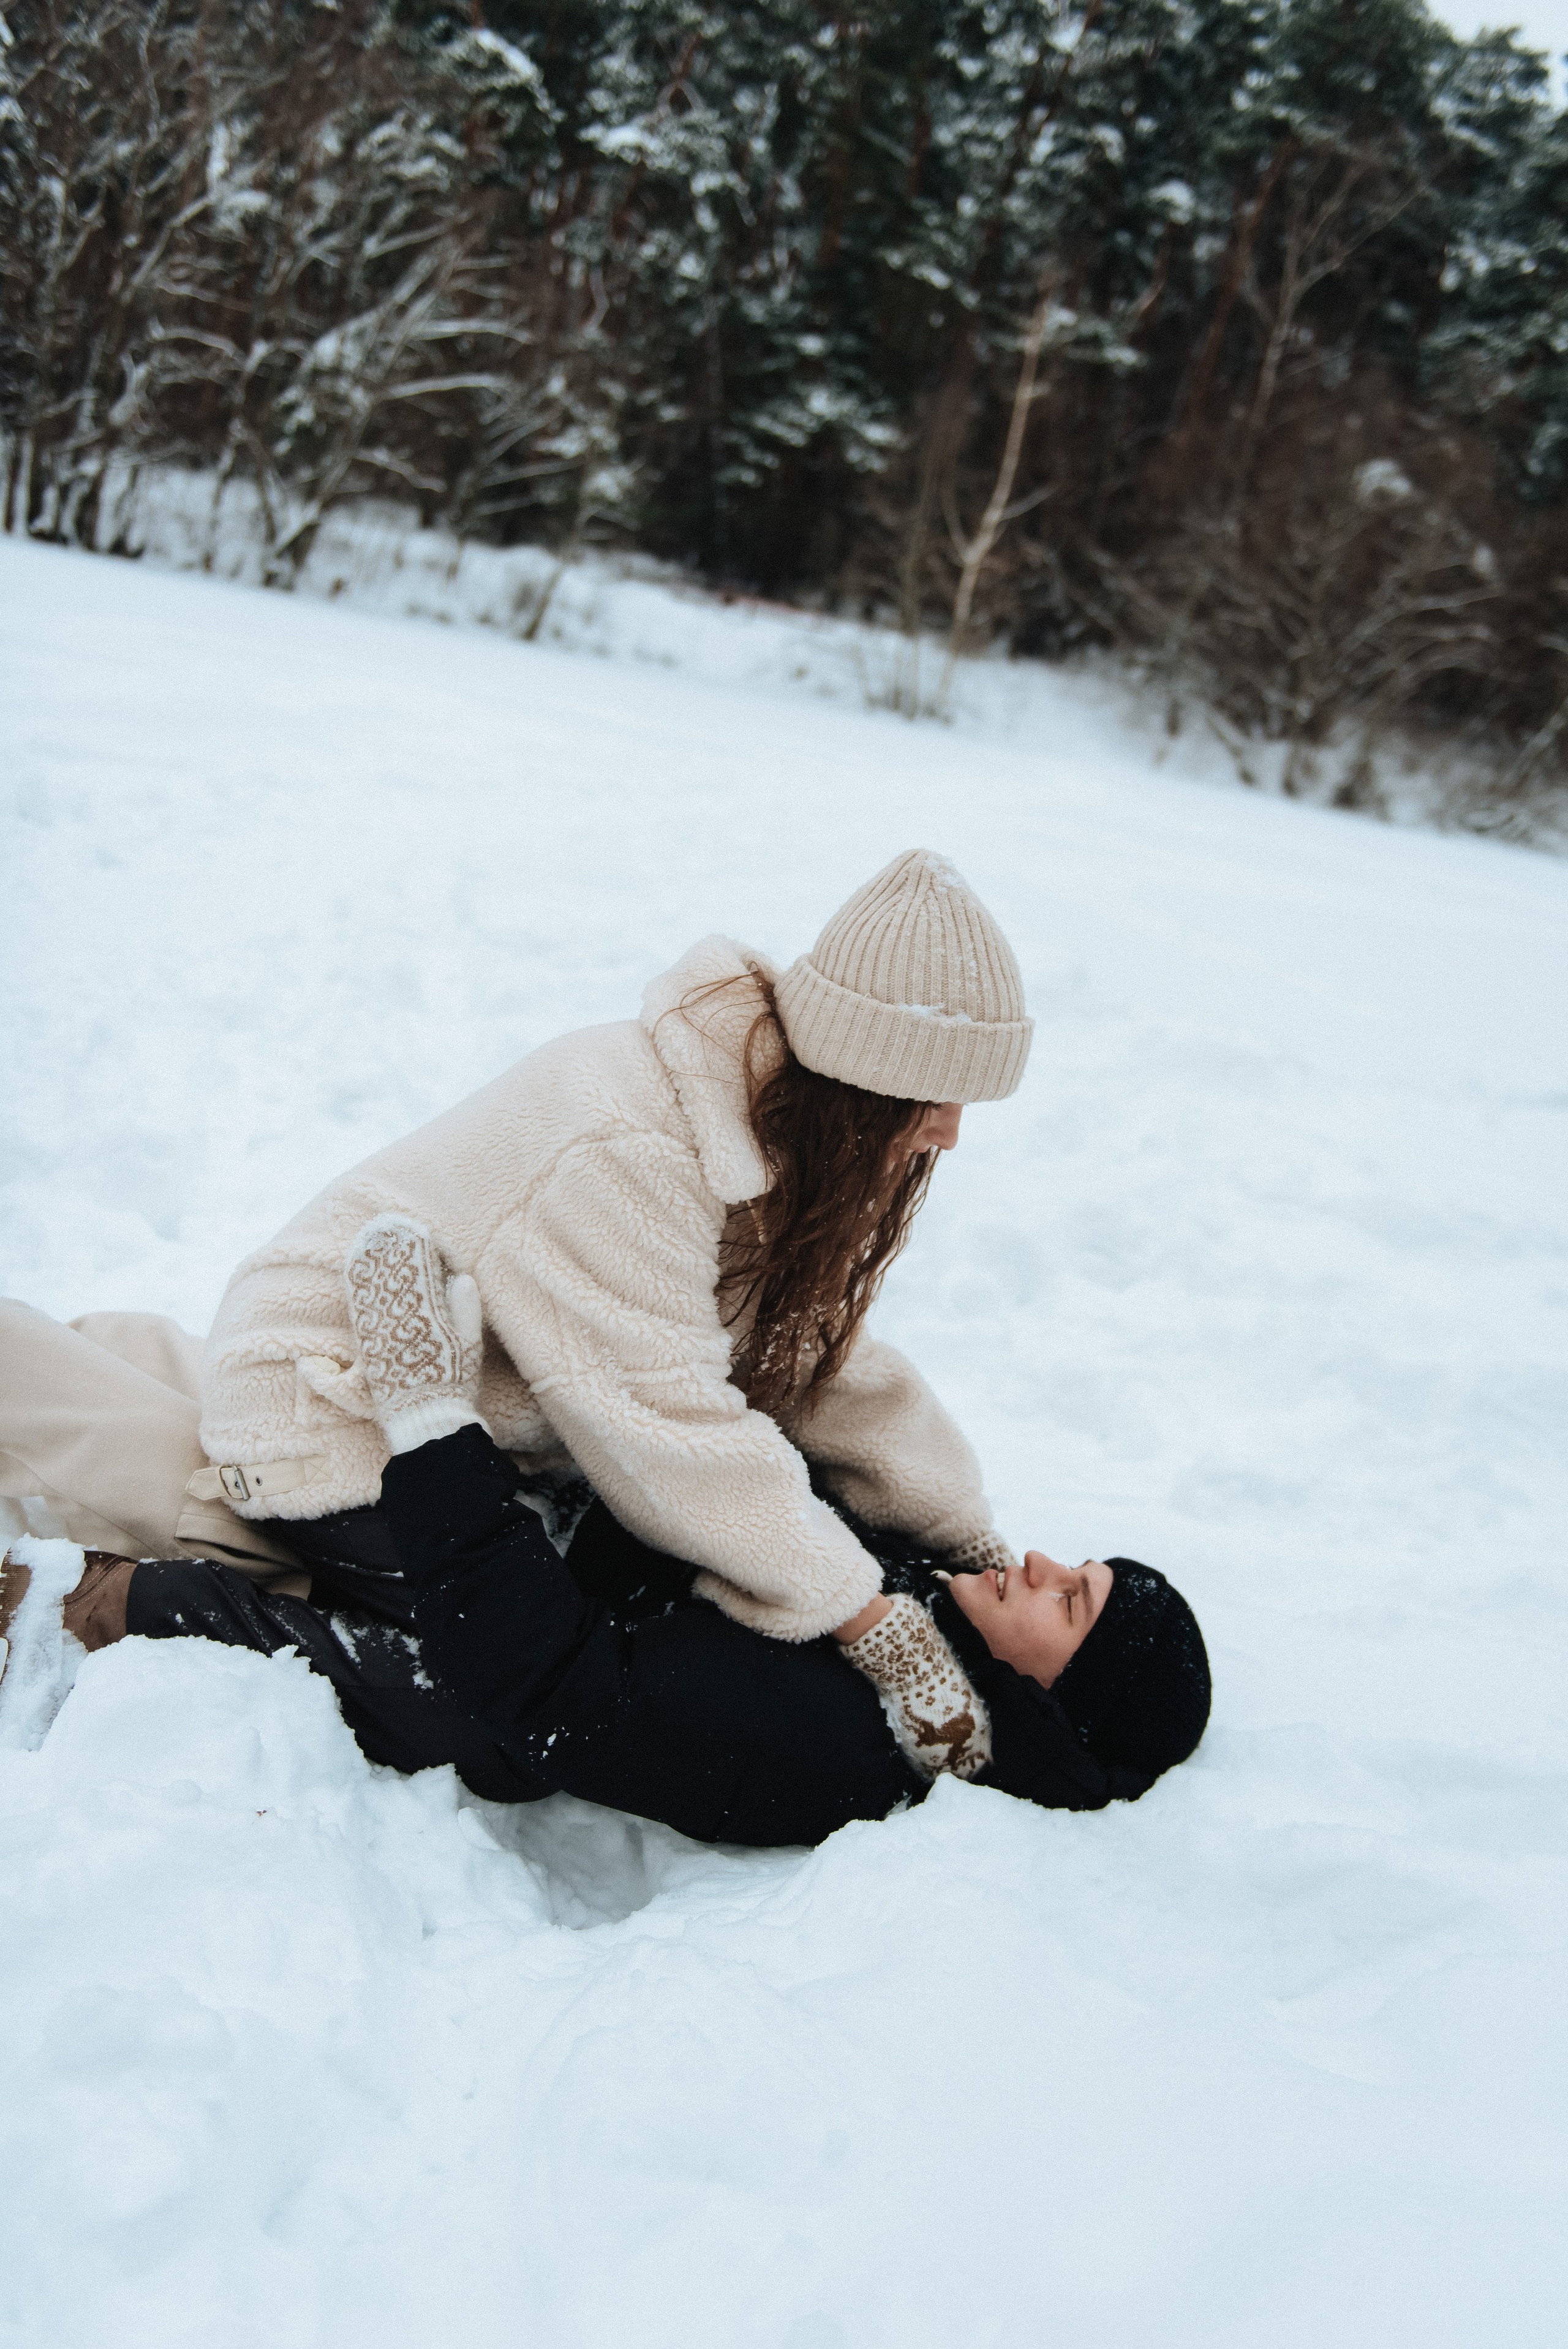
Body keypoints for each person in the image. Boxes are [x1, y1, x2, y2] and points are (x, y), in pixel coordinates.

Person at [0, 1213, 1212, 1848]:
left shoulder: (849, 1740)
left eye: (1070, 1604)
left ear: (1056, 1702)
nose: (1043, 1569)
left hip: (453, 1577)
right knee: (146, 1371)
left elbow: (558, 1686)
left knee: (128, 1437)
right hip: (488, 1515)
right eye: (1078, 1567)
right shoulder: (927, 1629)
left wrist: (434, 1427)